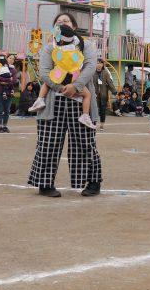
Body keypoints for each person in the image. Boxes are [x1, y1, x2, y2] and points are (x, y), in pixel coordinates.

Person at [27, 12, 102, 198]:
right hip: (53, 101)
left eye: (66, 21)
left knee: (85, 143)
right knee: (48, 143)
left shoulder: (87, 45)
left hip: (81, 100)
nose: (62, 23)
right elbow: (44, 72)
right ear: (55, 29)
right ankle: (45, 184)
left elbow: (90, 67)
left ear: (74, 27)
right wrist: (61, 88)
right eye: (58, 22)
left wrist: (76, 86)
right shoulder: (48, 48)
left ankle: (93, 182)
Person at [29, 27, 94, 129]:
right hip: (73, 76)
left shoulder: (57, 49)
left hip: (59, 73)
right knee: (87, 95)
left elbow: (56, 59)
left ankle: (40, 100)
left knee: (47, 82)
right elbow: (79, 62)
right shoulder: (76, 50)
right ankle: (85, 115)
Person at [0, 54, 19, 132]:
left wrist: (6, 81)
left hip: (9, 91)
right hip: (0, 90)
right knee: (0, 109)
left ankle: (5, 126)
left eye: (13, 59)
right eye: (10, 58)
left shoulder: (13, 70)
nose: (11, 60)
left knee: (7, 110)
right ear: (6, 59)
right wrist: (9, 79)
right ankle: (0, 126)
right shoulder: (0, 67)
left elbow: (14, 80)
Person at [92, 59, 117, 131]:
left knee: (103, 110)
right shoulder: (92, 72)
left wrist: (114, 91)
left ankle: (102, 125)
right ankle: (93, 124)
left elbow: (109, 82)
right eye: (97, 63)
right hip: (94, 94)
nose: (99, 65)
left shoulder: (105, 72)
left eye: (100, 63)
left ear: (103, 64)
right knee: (94, 109)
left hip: (103, 94)